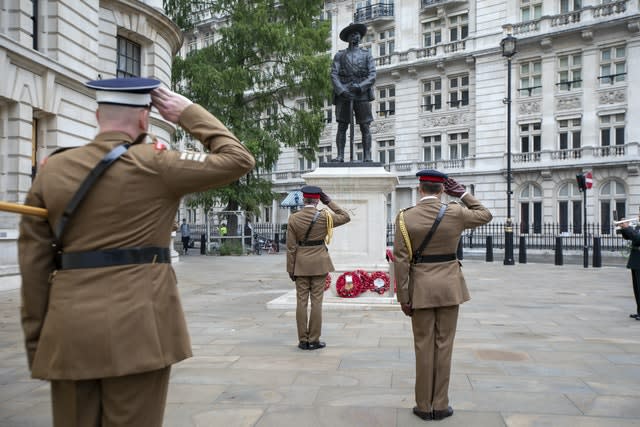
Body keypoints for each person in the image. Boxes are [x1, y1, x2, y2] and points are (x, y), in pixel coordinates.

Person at [18, 77, 255, 427]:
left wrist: (41, 344)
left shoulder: (53, 170)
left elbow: (34, 268)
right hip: (140, 328)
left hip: (68, 331)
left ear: (98, 115)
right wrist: (187, 112)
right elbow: (238, 159)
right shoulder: (156, 164)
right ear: (145, 119)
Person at [393, 169, 492, 421]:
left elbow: (401, 261)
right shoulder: (455, 212)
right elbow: (486, 215)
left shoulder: (405, 218)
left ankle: (423, 406)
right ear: (443, 190)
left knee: (423, 346)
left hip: (421, 288)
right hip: (449, 287)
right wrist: (464, 194)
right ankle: (441, 404)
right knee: (444, 345)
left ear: (420, 189)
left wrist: (403, 297)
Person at [286, 185, 350, 350]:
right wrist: (328, 201)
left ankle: (302, 340)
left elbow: (291, 247)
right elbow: (345, 216)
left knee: (301, 303)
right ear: (317, 200)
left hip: (300, 264)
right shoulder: (325, 217)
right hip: (319, 264)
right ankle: (313, 340)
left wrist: (290, 269)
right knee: (316, 303)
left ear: (303, 199)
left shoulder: (294, 218)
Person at [330, 23, 376, 162]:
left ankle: (367, 156)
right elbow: (334, 74)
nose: (356, 36)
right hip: (344, 94)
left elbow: (372, 75)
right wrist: (342, 90)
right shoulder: (339, 55)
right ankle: (340, 156)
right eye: (353, 34)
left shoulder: (367, 55)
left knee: (365, 126)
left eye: (358, 34)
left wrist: (360, 86)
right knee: (342, 126)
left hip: (361, 94)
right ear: (348, 37)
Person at [618, 218, 640, 320]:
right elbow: (630, 237)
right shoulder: (638, 226)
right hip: (636, 260)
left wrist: (628, 227)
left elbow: (638, 238)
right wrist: (623, 228)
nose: (638, 215)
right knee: (637, 289)